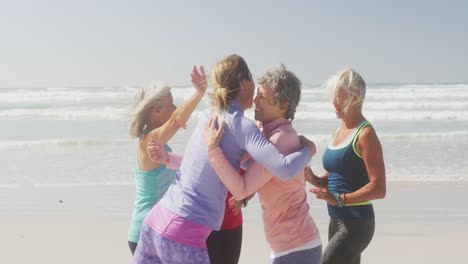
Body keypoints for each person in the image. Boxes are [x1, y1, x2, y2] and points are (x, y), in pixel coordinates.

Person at [132, 54, 315, 264]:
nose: (256, 97)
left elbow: (199, 164)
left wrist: (168, 159)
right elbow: (285, 169)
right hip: (182, 234)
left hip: (155, 223)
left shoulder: (208, 115)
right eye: (254, 84)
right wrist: (308, 150)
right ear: (246, 84)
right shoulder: (242, 126)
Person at [203, 64, 322, 264]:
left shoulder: (281, 140)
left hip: (297, 248)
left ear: (283, 106)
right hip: (286, 247)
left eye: (263, 97)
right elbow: (256, 175)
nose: (255, 100)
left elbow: (244, 187)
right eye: (257, 93)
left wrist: (213, 150)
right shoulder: (265, 132)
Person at [305, 68, 386, 264]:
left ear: (355, 96)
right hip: (336, 219)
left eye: (338, 97)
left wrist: (339, 199)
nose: (333, 102)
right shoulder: (338, 132)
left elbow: (379, 189)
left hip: (357, 224)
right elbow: (333, 178)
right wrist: (313, 178)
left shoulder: (366, 135)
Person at [126, 66, 207, 255]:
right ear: (156, 109)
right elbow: (175, 122)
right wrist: (199, 93)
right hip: (145, 233)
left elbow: (175, 122)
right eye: (171, 105)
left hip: (156, 230)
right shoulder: (150, 141)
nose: (175, 109)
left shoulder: (156, 143)